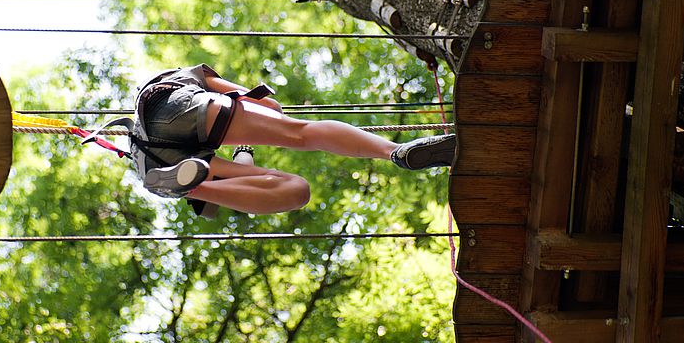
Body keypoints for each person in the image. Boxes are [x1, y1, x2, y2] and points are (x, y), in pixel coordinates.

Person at [113, 63, 455, 215]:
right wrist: (254, 116)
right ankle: (394, 152)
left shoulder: (170, 98)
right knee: (301, 133)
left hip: (157, 161)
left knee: (295, 190)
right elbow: (268, 105)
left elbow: (243, 167)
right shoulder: (188, 78)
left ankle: (190, 188)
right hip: (179, 108)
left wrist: (243, 147)